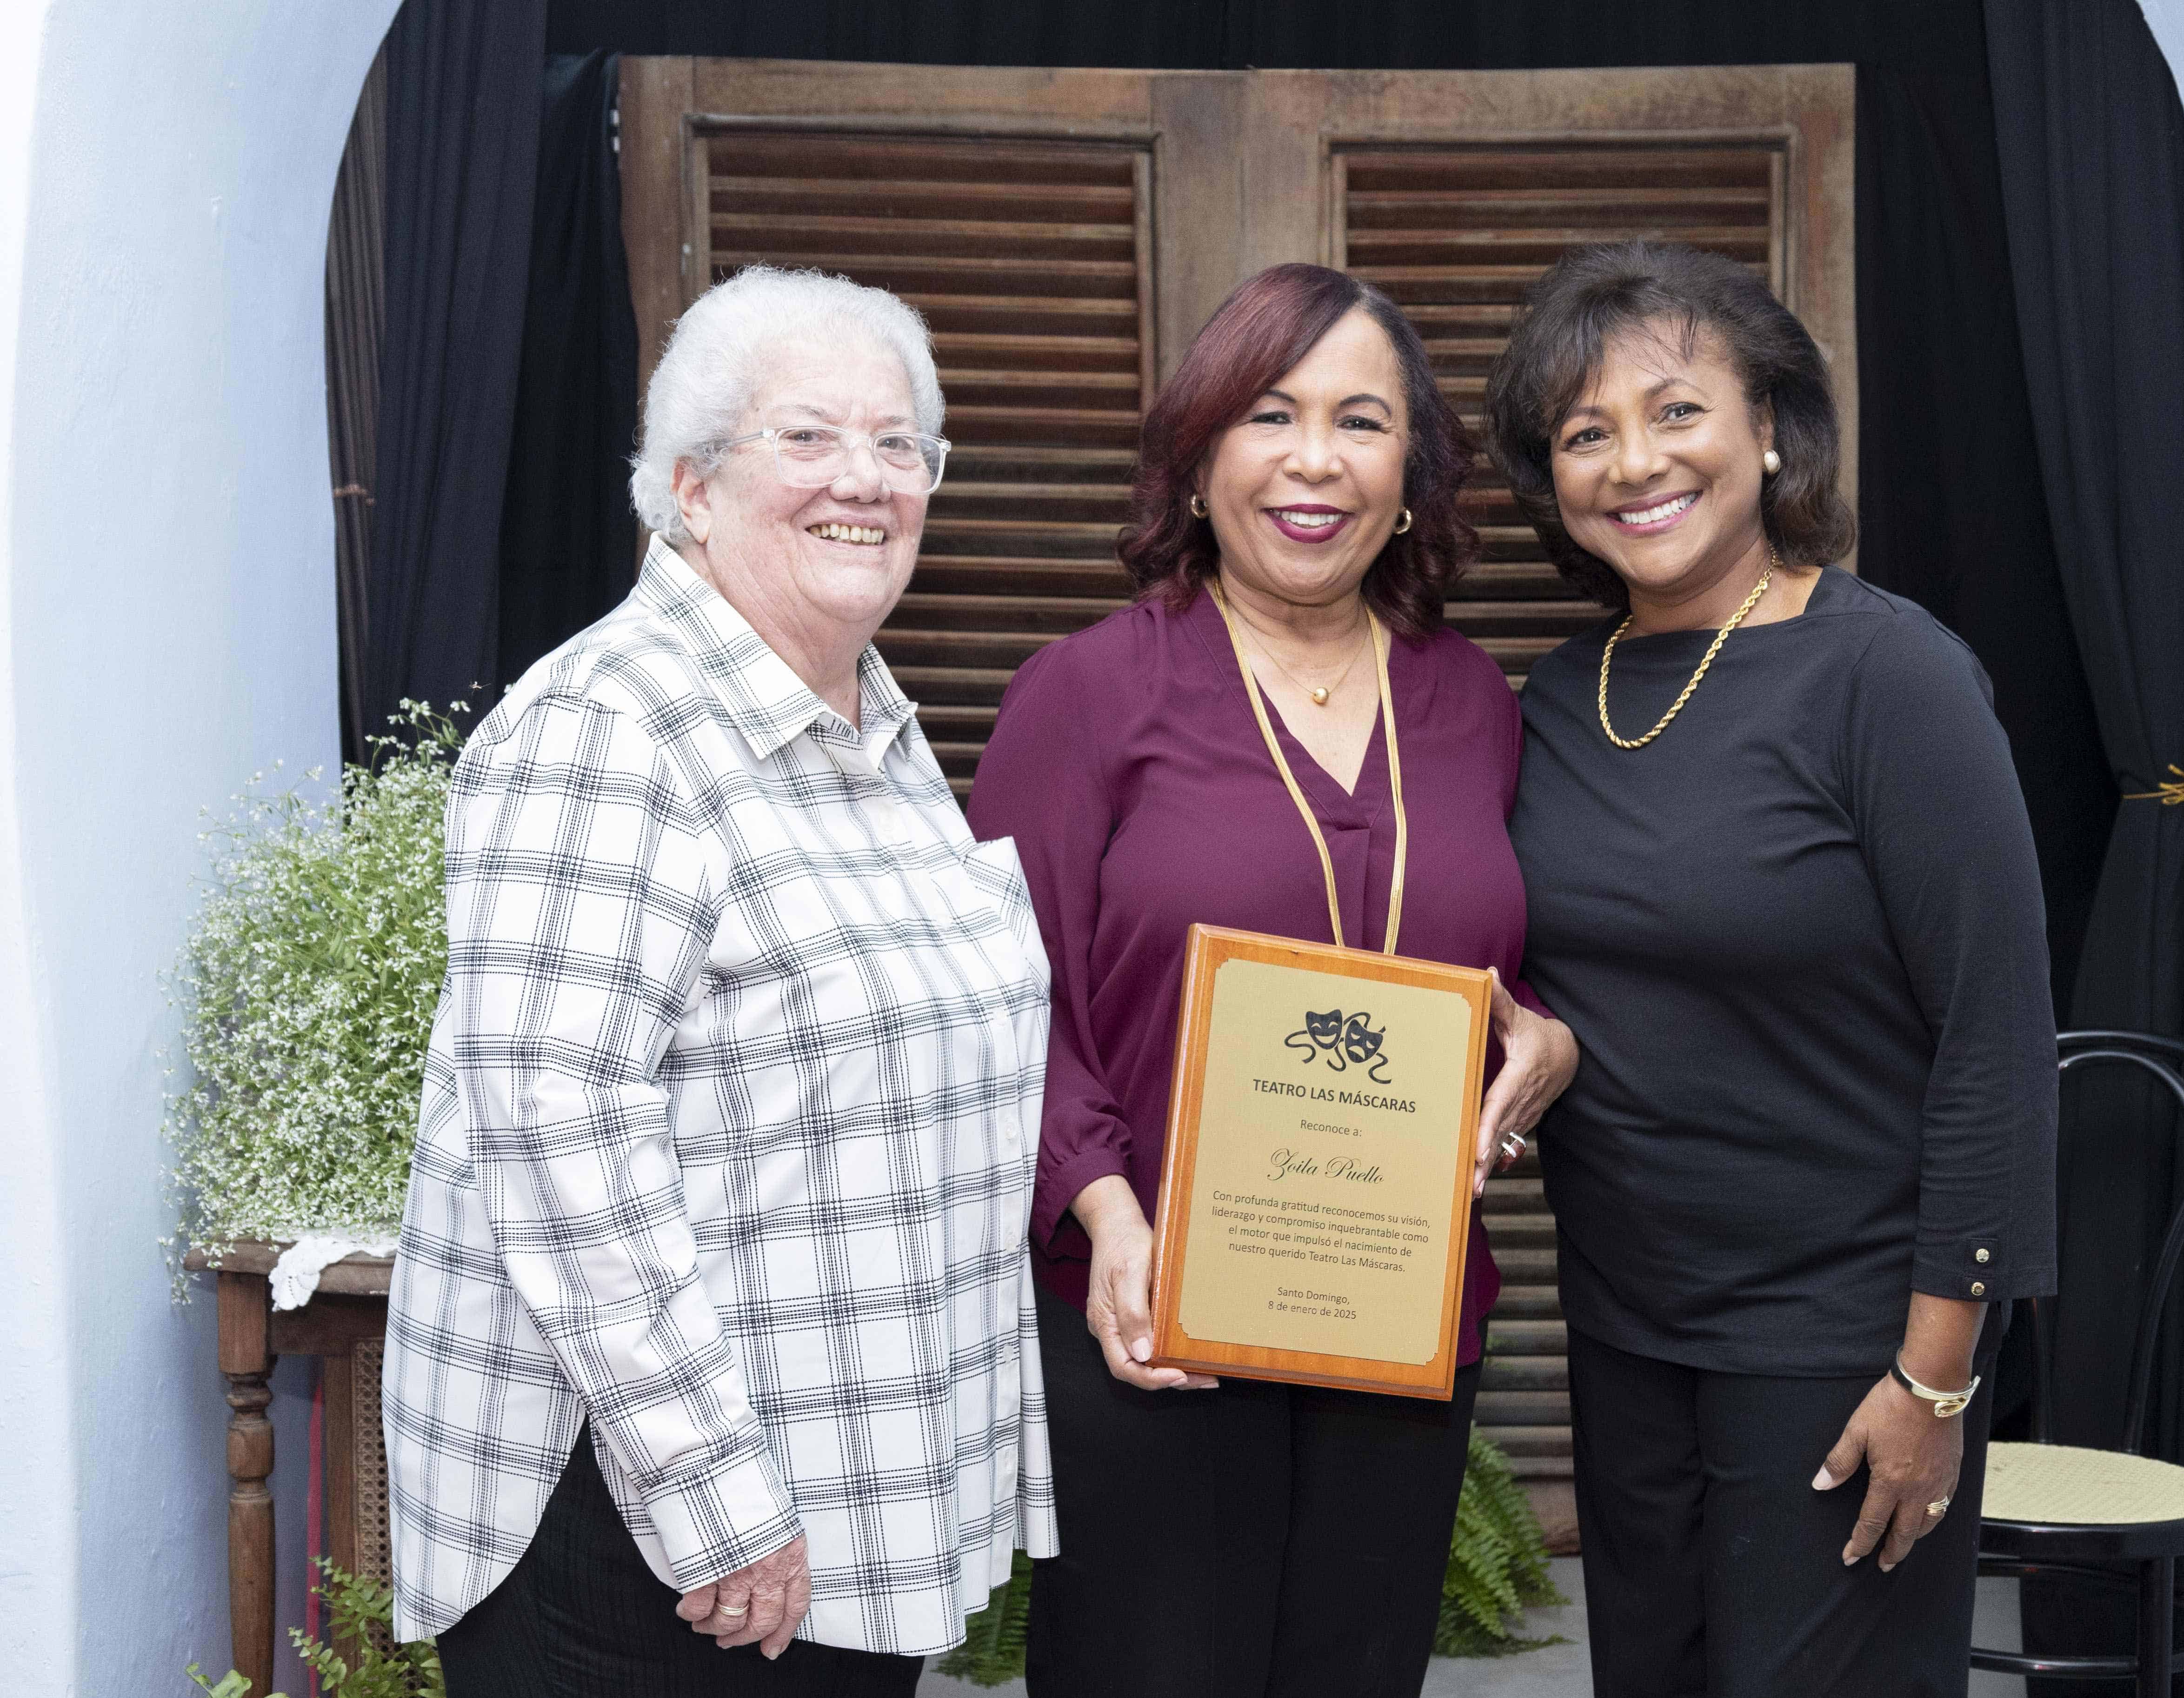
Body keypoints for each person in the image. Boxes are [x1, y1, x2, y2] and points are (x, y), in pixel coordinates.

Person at [382, 265, 1054, 1698]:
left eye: (898, 444)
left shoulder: (867, 721)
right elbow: (562, 1141)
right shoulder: (602, 730)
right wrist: (714, 1490)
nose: (863, 480)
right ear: (689, 487)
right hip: (655, 1529)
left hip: (836, 1513)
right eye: (805, 437)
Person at [966, 261, 1580, 1698]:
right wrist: (1104, 1209)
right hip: (1150, 1303)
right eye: (1268, 413)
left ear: (1413, 477)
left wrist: (1550, 1045)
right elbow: (1005, 995)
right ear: (1196, 463)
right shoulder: (1089, 691)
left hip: (1398, 1304)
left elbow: (1505, 965)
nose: (1315, 460)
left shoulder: (1475, 704)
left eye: (1361, 421)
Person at [1485, 240, 2059, 1697]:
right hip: (1626, 1328)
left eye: (1677, 412)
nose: (1633, 463)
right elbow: (1544, 953)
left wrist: (1936, 1378)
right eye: (1584, 433)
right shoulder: (1558, 696)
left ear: (1774, 433)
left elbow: (1995, 1036)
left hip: (1843, 1343)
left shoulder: (1889, 677)